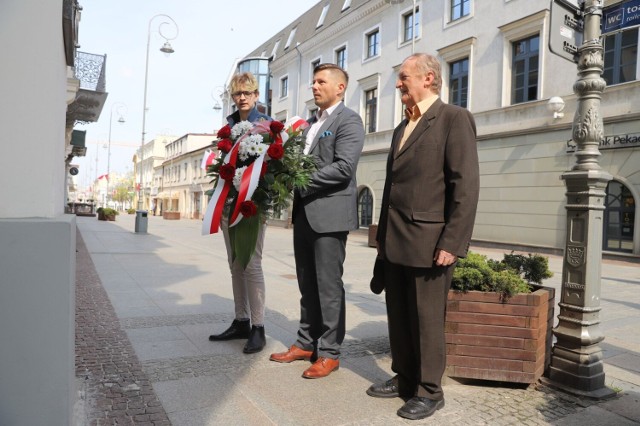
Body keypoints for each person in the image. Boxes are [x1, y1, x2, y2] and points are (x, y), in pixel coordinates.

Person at [366, 53, 479, 420]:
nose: (398, 84)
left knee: (427, 320)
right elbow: (392, 186)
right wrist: (381, 236)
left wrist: (452, 242)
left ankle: (430, 390)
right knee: (398, 314)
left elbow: (465, 186)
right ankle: (405, 379)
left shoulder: (453, 119)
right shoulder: (402, 127)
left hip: (431, 245)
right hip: (396, 240)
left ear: (428, 78)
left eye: (403, 77)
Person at [269, 63, 364, 379]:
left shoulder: (348, 120)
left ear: (339, 87)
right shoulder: (310, 124)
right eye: (312, 81)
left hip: (330, 217)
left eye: (321, 81)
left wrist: (298, 179)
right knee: (307, 285)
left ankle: (330, 353)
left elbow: (343, 168)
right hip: (305, 215)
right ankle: (305, 343)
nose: (314, 86)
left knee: (327, 287)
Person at [208, 72, 270, 354]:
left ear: (256, 95)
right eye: (237, 94)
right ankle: (241, 321)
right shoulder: (229, 125)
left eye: (247, 92)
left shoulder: (266, 125)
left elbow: (273, 164)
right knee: (235, 262)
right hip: (230, 201)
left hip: (253, 203)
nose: (242, 97)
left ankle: (258, 327)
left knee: (251, 263)